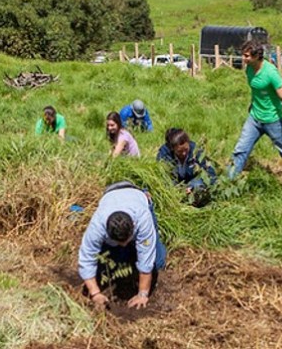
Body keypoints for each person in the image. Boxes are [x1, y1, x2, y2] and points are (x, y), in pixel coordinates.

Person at [78, 181, 167, 310]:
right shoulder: (97, 226)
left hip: (137, 196)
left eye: (127, 240)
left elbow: (146, 259)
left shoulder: (142, 219)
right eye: (120, 242)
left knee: (157, 262)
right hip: (110, 195)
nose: (123, 244)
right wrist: (95, 293)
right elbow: (86, 260)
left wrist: (142, 294)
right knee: (108, 263)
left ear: (134, 228)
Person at [228, 39, 282, 186]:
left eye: (247, 56)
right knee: (241, 149)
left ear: (257, 56)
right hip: (255, 118)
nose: (244, 59)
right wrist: (253, 104)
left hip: (272, 120)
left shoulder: (270, 73)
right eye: (243, 55)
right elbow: (257, 90)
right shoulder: (248, 69)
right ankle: (228, 182)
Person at [156, 128, 218, 207]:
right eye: (179, 151)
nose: (184, 153)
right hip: (175, 186)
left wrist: (192, 187)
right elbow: (163, 176)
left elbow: (209, 172)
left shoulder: (196, 150)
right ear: (172, 149)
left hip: (193, 183)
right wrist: (178, 189)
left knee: (198, 186)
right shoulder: (164, 154)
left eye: (186, 149)